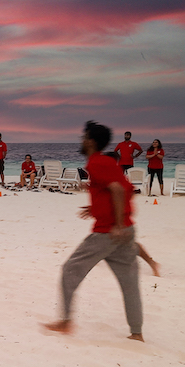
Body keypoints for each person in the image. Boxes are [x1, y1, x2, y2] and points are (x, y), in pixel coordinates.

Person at [44, 121, 144, 341]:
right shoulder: (108, 163)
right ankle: (136, 333)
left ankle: (65, 321)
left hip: (107, 233)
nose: (81, 140)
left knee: (70, 269)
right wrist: (97, 206)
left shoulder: (97, 162)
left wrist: (115, 223)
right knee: (129, 283)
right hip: (127, 231)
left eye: (84, 137)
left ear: (90, 141)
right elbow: (127, 190)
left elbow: (117, 190)